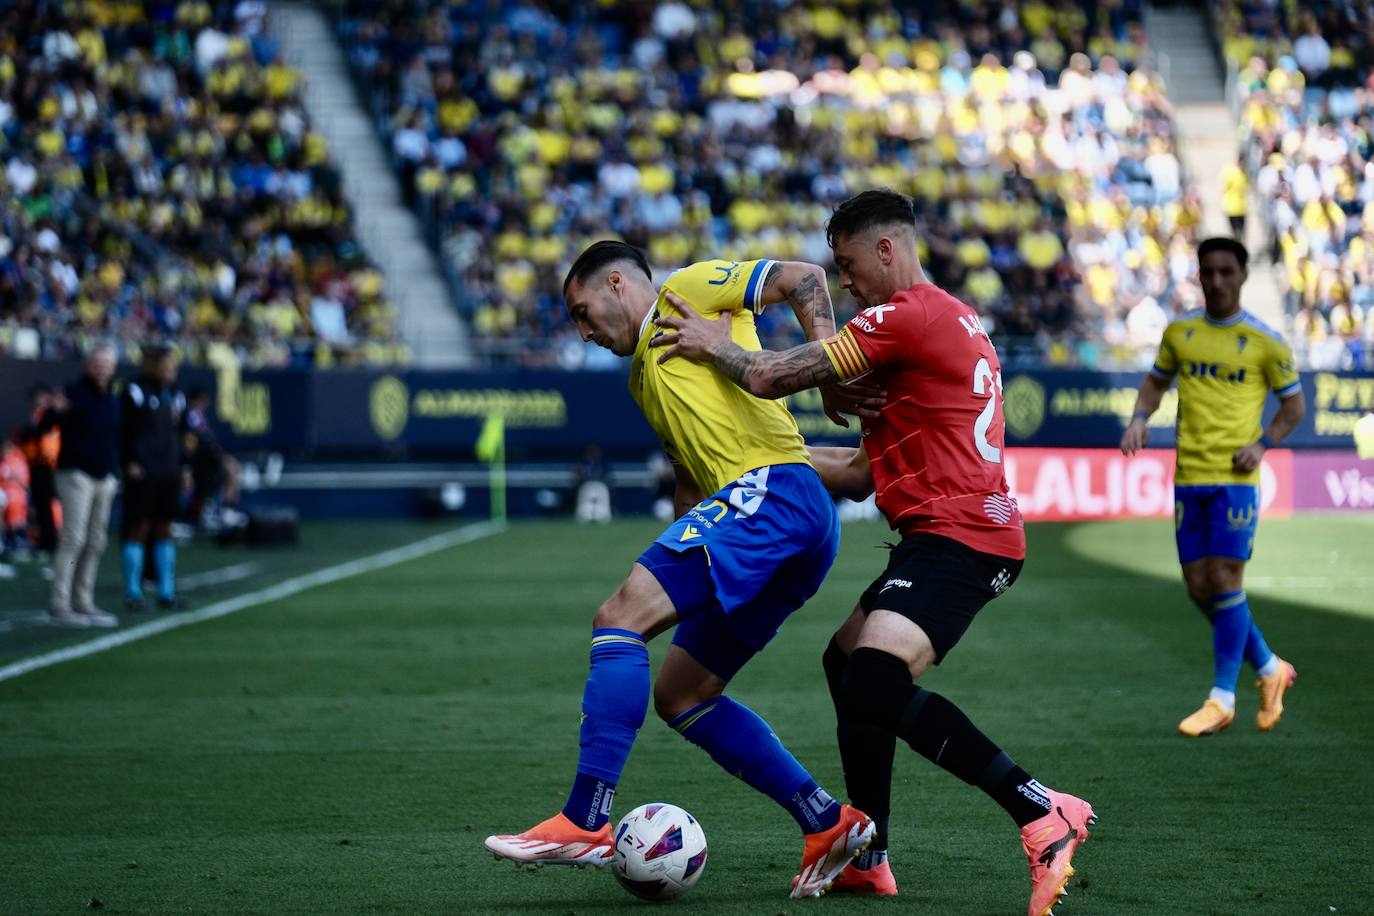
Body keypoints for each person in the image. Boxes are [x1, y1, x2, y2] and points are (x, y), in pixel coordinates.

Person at [652, 189, 1094, 916]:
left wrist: (714, 343)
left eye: (849, 264)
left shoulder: (905, 316)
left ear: (886, 250)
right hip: (947, 531)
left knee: (873, 683)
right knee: (845, 662)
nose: (846, 282)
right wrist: (768, 465)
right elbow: (860, 473)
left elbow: (765, 375)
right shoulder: (948, 322)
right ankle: (871, 857)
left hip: (961, 537)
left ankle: (1041, 809)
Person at [485, 241, 884, 899]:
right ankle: (827, 824)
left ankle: (585, 820)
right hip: (786, 520)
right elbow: (691, 478)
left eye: (584, 312)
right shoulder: (644, 376)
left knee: (618, 621)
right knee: (682, 694)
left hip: (772, 500)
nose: (584, 332)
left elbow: (806, 278)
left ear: (616, 283)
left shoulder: (690, 289)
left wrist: (831, 365)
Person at [1121, 236, 1306, 736]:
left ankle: (1222, 697)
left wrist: (1264, 444)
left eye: (1227, 271)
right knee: (1200, 588)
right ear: (1199, 276)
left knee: (1225, 579)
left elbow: (1294, 406)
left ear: (1243, 275)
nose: (1217, 280)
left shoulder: (1266, 341)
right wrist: (1140, 418)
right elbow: (1156, 381)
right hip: (1189, 478)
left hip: (1235, 480)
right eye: (1209, 272)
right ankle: (1270, 669)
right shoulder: (1181, 334)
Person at [42, 344, 122, 628]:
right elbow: (46, 423)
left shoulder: (112, 397)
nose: (101, 368)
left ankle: (83, 600)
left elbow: (114, 437)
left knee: (96, 541)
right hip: (76, 473)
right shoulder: (73, 392)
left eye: (106, 363)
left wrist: (114, 472)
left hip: (104, 475)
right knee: (74, 539)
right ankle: (60, 603)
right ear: (88, 365)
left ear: (113, 368)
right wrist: (54, 411)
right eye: (97, 362)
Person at [119, 345, 188, 611]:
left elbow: (182, 436)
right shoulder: (134, 391)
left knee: (165, 529)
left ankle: (166, 591)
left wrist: (184, 468)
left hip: (168, 472)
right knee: (139, 528)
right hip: (143, 472)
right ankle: (133, 592)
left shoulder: (176, 395)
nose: (171, 372)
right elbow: (122, 431)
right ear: (152, 365)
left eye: (173, 367)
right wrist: (129, 462)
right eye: (166, 366)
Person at [16, 384, 61, 556]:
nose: (39, 401)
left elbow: (40, 433)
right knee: (41, 504)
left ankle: (50, 541)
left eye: (41, 397)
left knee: (46, 504)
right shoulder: (37, 414)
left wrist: (27, 433)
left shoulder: (49, 414)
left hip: (47, 465)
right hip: (37, 463)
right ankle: (47, 539)